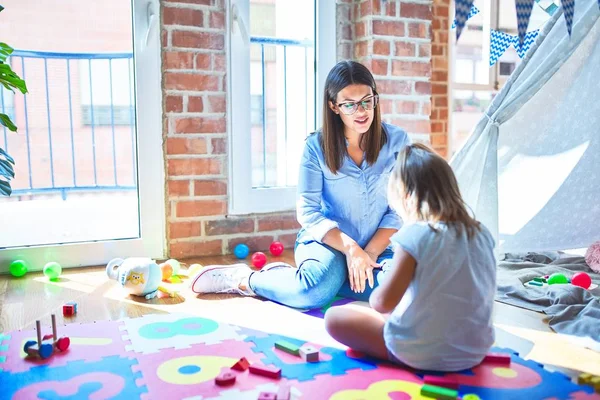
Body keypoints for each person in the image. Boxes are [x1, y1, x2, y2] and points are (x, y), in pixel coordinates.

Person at [190, 60, 410, 310]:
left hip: (377, 246)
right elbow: (308, 211)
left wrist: (367, 254)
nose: (361, 111)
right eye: (349, 104)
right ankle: (246, 279)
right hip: (329, 243)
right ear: (333, 106)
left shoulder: (397, 141)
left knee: (404, 293)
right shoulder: (316, 147)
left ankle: (320, 279)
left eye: (366, 101)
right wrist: (351, 250)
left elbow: (400, 208)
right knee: (312, 293)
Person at [324, 143, 497, 372]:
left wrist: (372, 301)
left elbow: (383, 303)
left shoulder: (415, 234)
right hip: (474, 351)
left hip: (419, 352)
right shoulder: (481, 232)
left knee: (334, 317)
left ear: (406, 197)